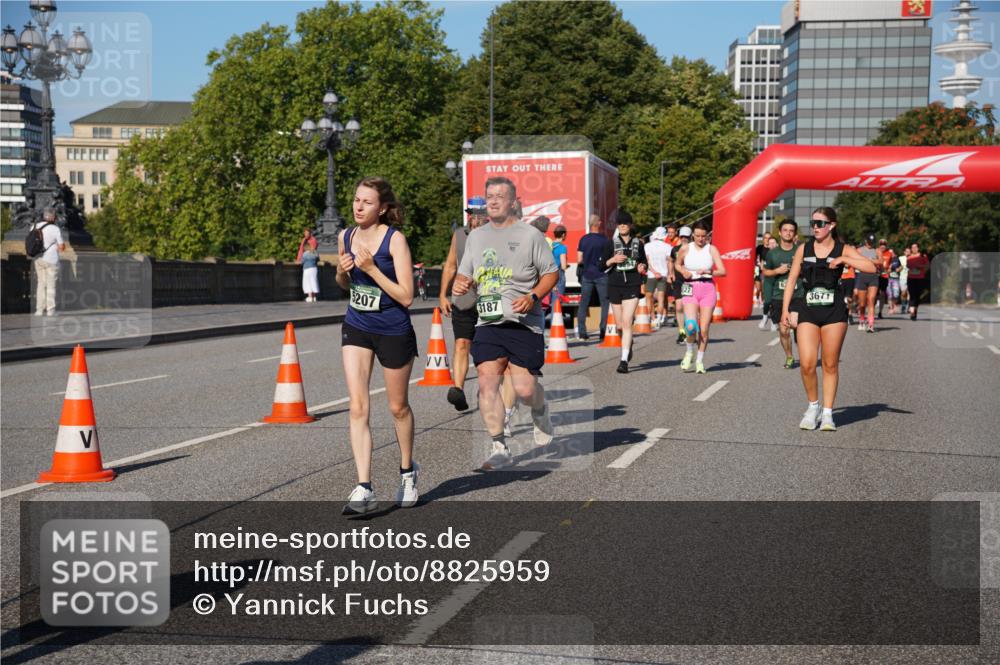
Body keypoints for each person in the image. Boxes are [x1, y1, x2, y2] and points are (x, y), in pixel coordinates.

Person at [453, 176, 558, 471]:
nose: (494, 200)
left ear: (513, 202)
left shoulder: (530, 235)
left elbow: (551, 273)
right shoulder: (476, 237)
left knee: (525, 389)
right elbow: (466, 275)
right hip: (488, 322)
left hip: (524, 321)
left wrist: (533, 296)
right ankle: (499, 445)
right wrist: (463, 284)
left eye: (500, 196)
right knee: (487, 382)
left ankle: (540, 408)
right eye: (489, 196)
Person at [336, 177, 419, 515]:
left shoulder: (394, 240)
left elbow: (407, 296)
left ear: (382, 208)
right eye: (356, 200)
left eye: (366, 202)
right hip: (357, 324)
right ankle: (364, 487)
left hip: (393, 328)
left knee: (398, 407)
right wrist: (343, 273)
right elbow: (345, 283)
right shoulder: (345, 236)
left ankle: (408, 472)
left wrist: (371, 268)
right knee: (358, 407)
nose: (358, 206)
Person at [781, 207, 876, 432]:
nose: (815, 227)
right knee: (806, 363)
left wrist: (844, 259)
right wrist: (786, 309)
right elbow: (792, 278)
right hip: (808, 309)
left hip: (834, 311)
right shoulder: (804, 248)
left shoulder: (844, 249)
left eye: (820, 223)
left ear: (831, 225)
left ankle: (827, 414)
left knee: (830, 364)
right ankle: (813, 406)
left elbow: (871, 267)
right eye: (813, 223)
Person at [440, 197, 489, 412]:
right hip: (463, 299)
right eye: (472, 214)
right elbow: (451, 264)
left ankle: (489, 390)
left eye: (480, 214)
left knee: (485, 351)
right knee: (461, 343)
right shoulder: (459, 235)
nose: (475, 219)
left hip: (490, 300)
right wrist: (443, 294)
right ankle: (458, 389)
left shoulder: (497, 235)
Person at [675, 220, 726, 373]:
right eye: (697, 236)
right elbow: (677, 264)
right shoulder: (685, 248)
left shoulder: (712, 249)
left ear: (707, 236)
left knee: (703, 329)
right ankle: (689, 352)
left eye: (703, 236)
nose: (700, 239)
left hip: (707, 288)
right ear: (693, 235)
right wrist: (683, 271)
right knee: (690, 326)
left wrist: (710, 272)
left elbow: (723, 271)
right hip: (690, 287)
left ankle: (699, 361)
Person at [602, 210, 647, 373]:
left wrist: (642, 268)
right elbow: (601, 266)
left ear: (630, 225)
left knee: (627, 321)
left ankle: (623, 361)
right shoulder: (610, 243)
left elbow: (644, 264)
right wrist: (613, 260)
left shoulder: (638, 243)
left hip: (633, 285)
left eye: (625, 223)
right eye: (619, 223)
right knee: (620, 326)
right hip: (615, 285)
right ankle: (628, 346)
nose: (622, 226)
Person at [763, 219, 801, 368]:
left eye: (791, 230)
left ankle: (805, 355)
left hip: (798, 295)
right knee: (784, 330)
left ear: (795, 234)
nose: (788, 233)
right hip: (779, 296)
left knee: (797, 326)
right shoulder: (772, 254)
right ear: (779, 232)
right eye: (785, 230)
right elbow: (765, 272)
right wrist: (777, 271)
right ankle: (790, 356)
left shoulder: (800, 251)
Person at [576, 215, 610, 342]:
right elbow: (608, 259)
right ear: (599, 223)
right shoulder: (605, 240)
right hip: (602, 274)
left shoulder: (584, 239)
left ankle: (582, 332)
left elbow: (579, 259)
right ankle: (603, 331)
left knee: (584, 303)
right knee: (605, 303)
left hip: (587, 275)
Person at [30, 208, 65, 317]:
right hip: (51, 260)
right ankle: (50, 311)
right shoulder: (55, 229)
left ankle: (39, 310)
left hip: (38, 259)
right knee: (51, 285)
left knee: (41, 284)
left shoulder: (34, 227)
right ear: (53, 217)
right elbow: (61, 247)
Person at [644, 226, 672, 329]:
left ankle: (652, 318)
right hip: (663, 275)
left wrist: (654, 272)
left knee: (649, 298)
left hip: (651, 275)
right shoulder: (668, 247)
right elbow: (670, 261)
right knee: (661, 298)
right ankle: (660, 319)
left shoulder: (647, 246)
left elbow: (646, 262)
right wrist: (669, 274)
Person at [854, 234, 881, 333]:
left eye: (872, 242)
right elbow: (854, 260)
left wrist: (871, 260)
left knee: (871, 299)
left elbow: (881, 261)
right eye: (869, 242)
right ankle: (861, 319)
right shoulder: (859, 250)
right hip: (862, 276)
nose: (870, 244)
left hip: (873, 277)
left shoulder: (877, 250)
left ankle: (870, 324)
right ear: (866, 241)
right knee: (862, 303)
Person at [671, 226, 692, 344]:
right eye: (682, 236)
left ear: (690, 237)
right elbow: (670, 261)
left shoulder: (694, 250)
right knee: (678, 307)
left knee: (688, 308)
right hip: (678, 281)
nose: (684, 239)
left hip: (689, 281)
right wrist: (670, 274)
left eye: (686, 237)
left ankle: (690, 332)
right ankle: (681, 332)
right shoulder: (675, 249)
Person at [906, 243, 930, 320]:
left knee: (917, 295)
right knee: (912, 294)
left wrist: (921, 268)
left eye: (915, 247)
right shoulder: (909, 257)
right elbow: (908, 266)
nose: (914, 249)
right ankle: (912, 312)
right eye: (912, 247)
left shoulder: (923, 256)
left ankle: (915, 309)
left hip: (920, 278)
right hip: (911, 278)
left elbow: (927, 265)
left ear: (918, 248)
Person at [297, 228, 320, 303]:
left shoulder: (312, 241)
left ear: (310, 233)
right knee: (313, 281)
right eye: (305, 233)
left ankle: (310, 296)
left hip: (307, 267)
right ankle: (313, 297)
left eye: (307, 233)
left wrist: (300, 260)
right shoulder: (304, 240)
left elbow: (305, 253)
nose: (305, 235)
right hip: (313, 267)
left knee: (308, 282)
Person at [876, 239, 895, 319]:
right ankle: (871, 311)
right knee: (874, 294)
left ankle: (880, 312)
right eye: (881, 244)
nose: (882, 246)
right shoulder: (876, 252)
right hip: (875, 275)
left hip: (884, 276)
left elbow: (891, 263)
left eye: (884, 244)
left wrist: (890, 268)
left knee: (882, 294)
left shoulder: (889, 253)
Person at [551, 224, 568, 300]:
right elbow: (563, 266)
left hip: (548, 275)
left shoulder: (550, 245)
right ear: (563, 235)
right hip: (558, 275)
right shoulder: (562, 247)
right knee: (556, 302)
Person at [898, 246, 910, 312]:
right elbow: (897, 266)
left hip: (911, 277)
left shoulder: (912, 258)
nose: (908, 253)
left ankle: (908, 307)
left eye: (909, 251)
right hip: (903, 278)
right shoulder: (900, 258)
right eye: (907, 251)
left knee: (910, 292)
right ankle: (903, 304)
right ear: (904, 252)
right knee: (903, 293)